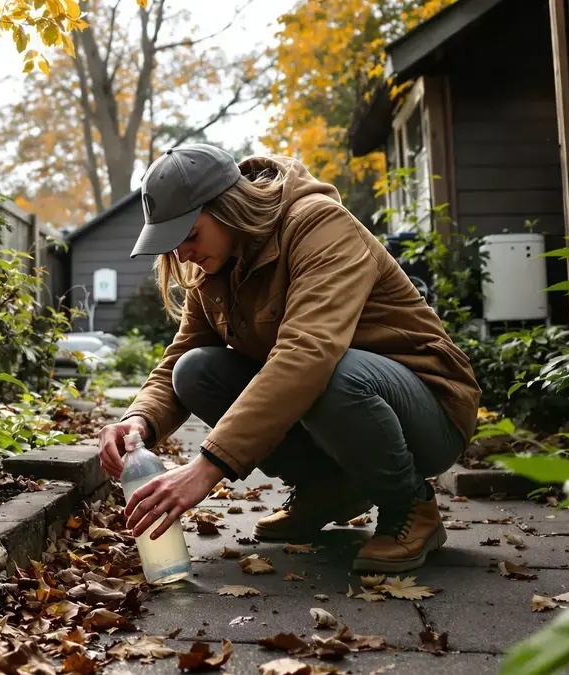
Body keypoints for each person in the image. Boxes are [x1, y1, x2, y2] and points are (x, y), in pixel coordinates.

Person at [99, 143, 481, 573]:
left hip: (430, 408)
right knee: (196, 371)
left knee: (326, 372)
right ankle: (327, 488)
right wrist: (139, 420)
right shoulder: (213, 267)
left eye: (189, 235)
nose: (182, 254)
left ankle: (411, 507)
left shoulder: (318, 224)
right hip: (342, 395)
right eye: (171, 243)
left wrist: (206, 468)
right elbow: (182, 353)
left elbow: (307, 352)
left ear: (229, 207)